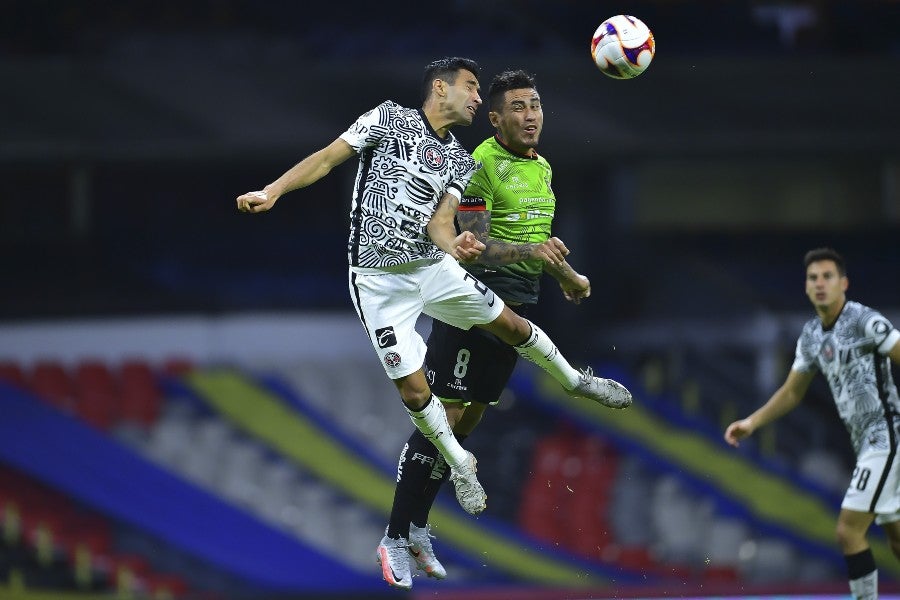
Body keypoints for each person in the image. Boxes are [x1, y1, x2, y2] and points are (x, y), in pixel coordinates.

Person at [235, 56, 632, 585]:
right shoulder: (388, 120)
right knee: (419, 394)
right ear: (440, 89)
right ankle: (449, 480)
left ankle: (574, 382)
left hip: (431, 269)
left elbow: (442, 225)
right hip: (379, 282)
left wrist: (458, 243)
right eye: (471, 89)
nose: (475, 97)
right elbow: (328, 158)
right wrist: (274, 191)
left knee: (508, 331)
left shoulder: (458, 158)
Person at [376, 69, 606, 589]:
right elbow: (476, 246)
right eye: (518, 108)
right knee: (445, 417)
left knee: (469, 419)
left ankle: (415, 526)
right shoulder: (481, 165)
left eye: (536, 105)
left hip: (519, 303)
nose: (531, 116)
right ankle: (395, 534)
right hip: (475, 308)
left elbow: (537, 239)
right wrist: (536, 255)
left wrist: (565, 276)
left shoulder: (543, 168)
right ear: (496, 119)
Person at [724, 247, 900, 600]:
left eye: (828, 277)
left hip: (885, 435)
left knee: (848, 532)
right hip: (863, 442)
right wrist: (753, 422)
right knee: (896, 536)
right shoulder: (812, 336)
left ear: (843, 283)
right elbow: (791, 393)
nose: (820, 284)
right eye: (813, 278)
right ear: (806, 287)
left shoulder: (865, 321)